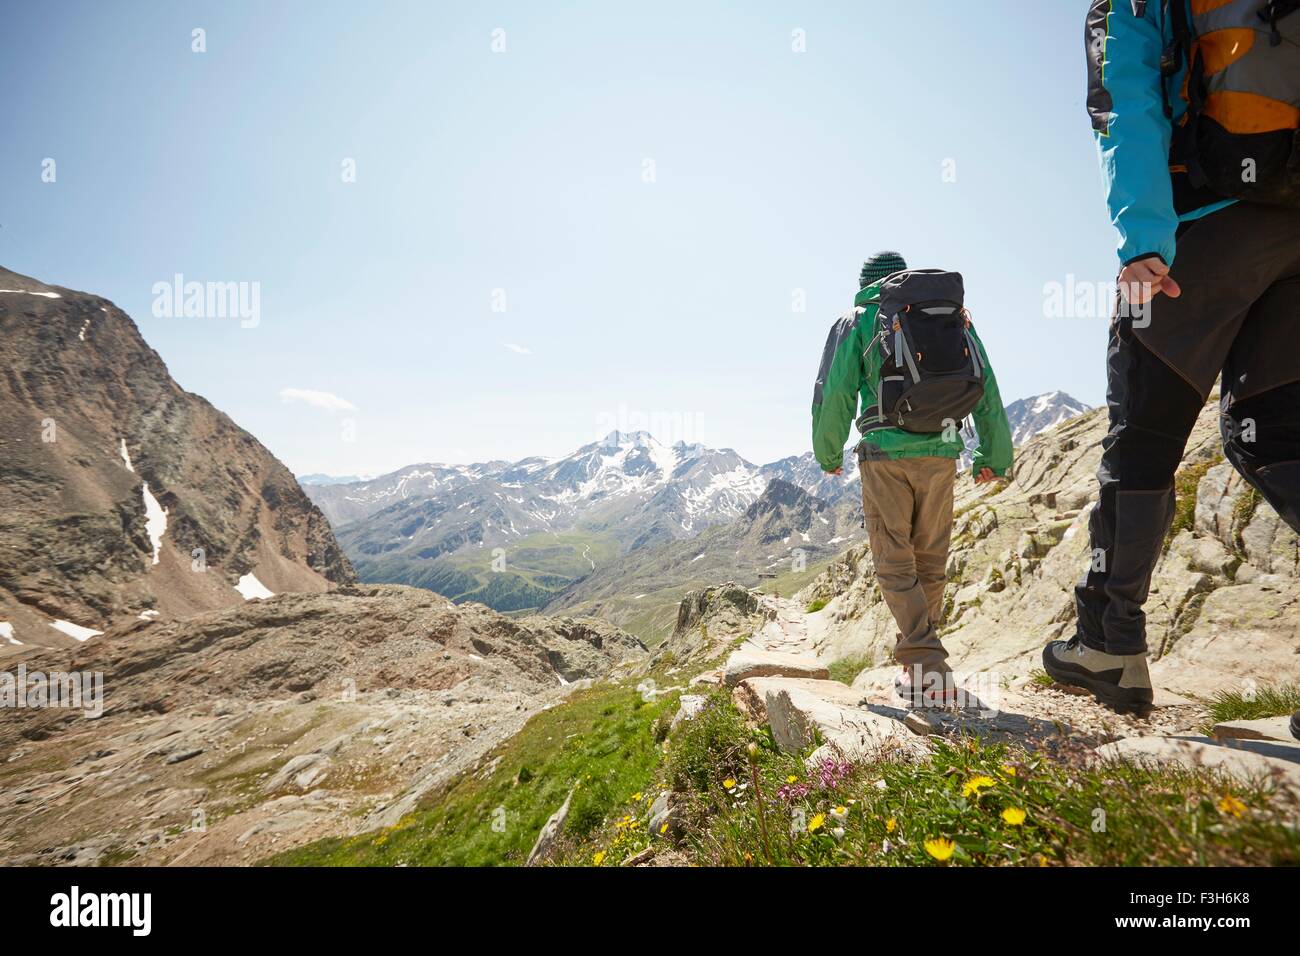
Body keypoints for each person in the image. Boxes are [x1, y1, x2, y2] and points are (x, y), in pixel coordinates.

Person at [1044, 1, 1300, 723]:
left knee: (1144, 443)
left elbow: (1125, 101)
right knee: (1277, 438)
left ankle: (1109, 645)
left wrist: (1143, 237)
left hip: (1201, 228)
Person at [811, 252, 1013, 706]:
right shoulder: (952, 316)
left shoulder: (858, 319)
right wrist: (994, 454)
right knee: (931, 560)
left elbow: (834, 390)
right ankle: (918, 665)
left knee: (894, 559)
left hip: (885, 453)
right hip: (942, 451)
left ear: (866, 284)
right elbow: (986, 382)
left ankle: (926, 666)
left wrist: (827, 452)